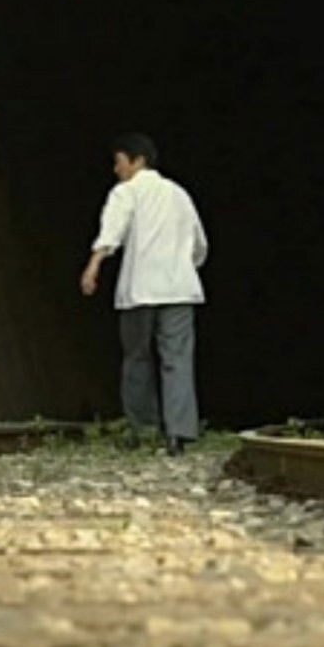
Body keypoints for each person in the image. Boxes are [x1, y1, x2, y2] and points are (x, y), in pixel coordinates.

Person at [79, 132, 208, 455]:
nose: (115, 169)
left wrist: (94, 263)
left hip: (140, 290)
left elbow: (112, 231)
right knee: (177, 360)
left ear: (137, 161)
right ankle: (178, 435)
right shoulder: (180, 195)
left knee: (137, 358)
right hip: (179, 290)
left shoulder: (127, 192)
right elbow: (199, 244)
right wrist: (183, 266)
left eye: (119, 161)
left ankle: (144, 430)